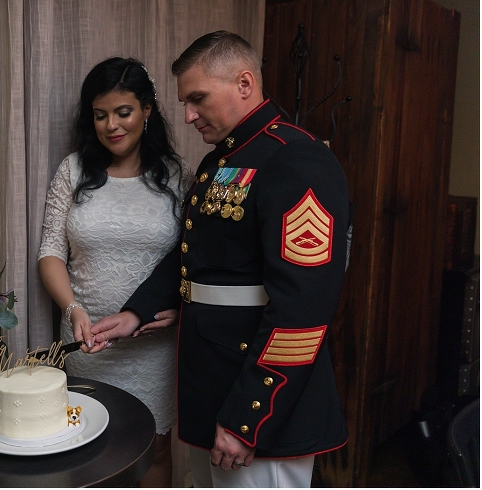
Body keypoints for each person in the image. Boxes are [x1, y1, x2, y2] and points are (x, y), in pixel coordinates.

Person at [89, 31, 350, 487]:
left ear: (244, 84)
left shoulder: (297, 159)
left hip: (258, 405)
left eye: (198, 98)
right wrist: (137, 311)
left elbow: (303, 309)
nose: (188, 115)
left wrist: (250, 417)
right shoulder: (222, 162)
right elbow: (195, 257)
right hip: (212, 386)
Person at [38, 57, 187, 487]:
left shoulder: (176, 177)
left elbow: (192, 257)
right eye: (100, 115)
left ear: (147, 110)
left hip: (153, 348)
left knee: (154, 448)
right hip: (88, 343)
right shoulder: (73, 171)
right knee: (87, 447)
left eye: (123, 112)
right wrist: (73, 311)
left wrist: (178, 309)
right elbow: (50, 252)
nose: (111, 126)